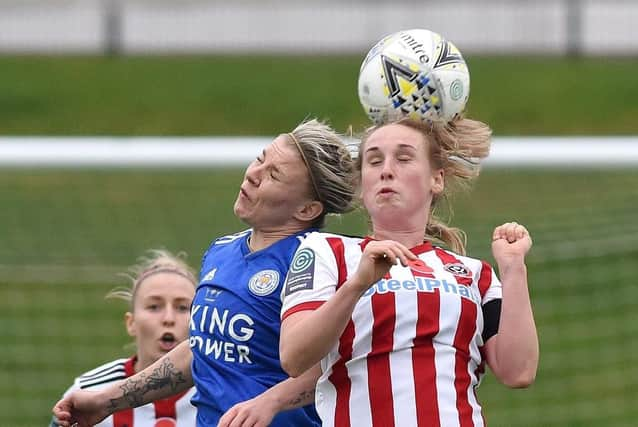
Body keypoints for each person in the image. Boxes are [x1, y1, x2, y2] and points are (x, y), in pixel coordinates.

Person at [53, 118, 356, 427]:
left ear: (306, 210)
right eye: (260, 159)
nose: (253, 175)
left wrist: (270, 402)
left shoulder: (317, 259)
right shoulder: (222, 251)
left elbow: (342, 362)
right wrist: (107, 401)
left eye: (273, 175)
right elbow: (201, 349)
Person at [279, 117, 539, 426]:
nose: (386, 169)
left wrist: (512, 269)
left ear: (436, 179)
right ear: (362, 185)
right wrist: (357, 285)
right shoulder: (328, 252)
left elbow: (518, 371)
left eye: (403, 158)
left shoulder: (474, 274)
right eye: (374, 161)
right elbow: (294, 356)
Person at [50, 249, 198, 427]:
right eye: (154, 306)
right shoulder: (89, 393)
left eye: (182, 308)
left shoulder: (222, 388)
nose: (168, 318)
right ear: (131, 323)